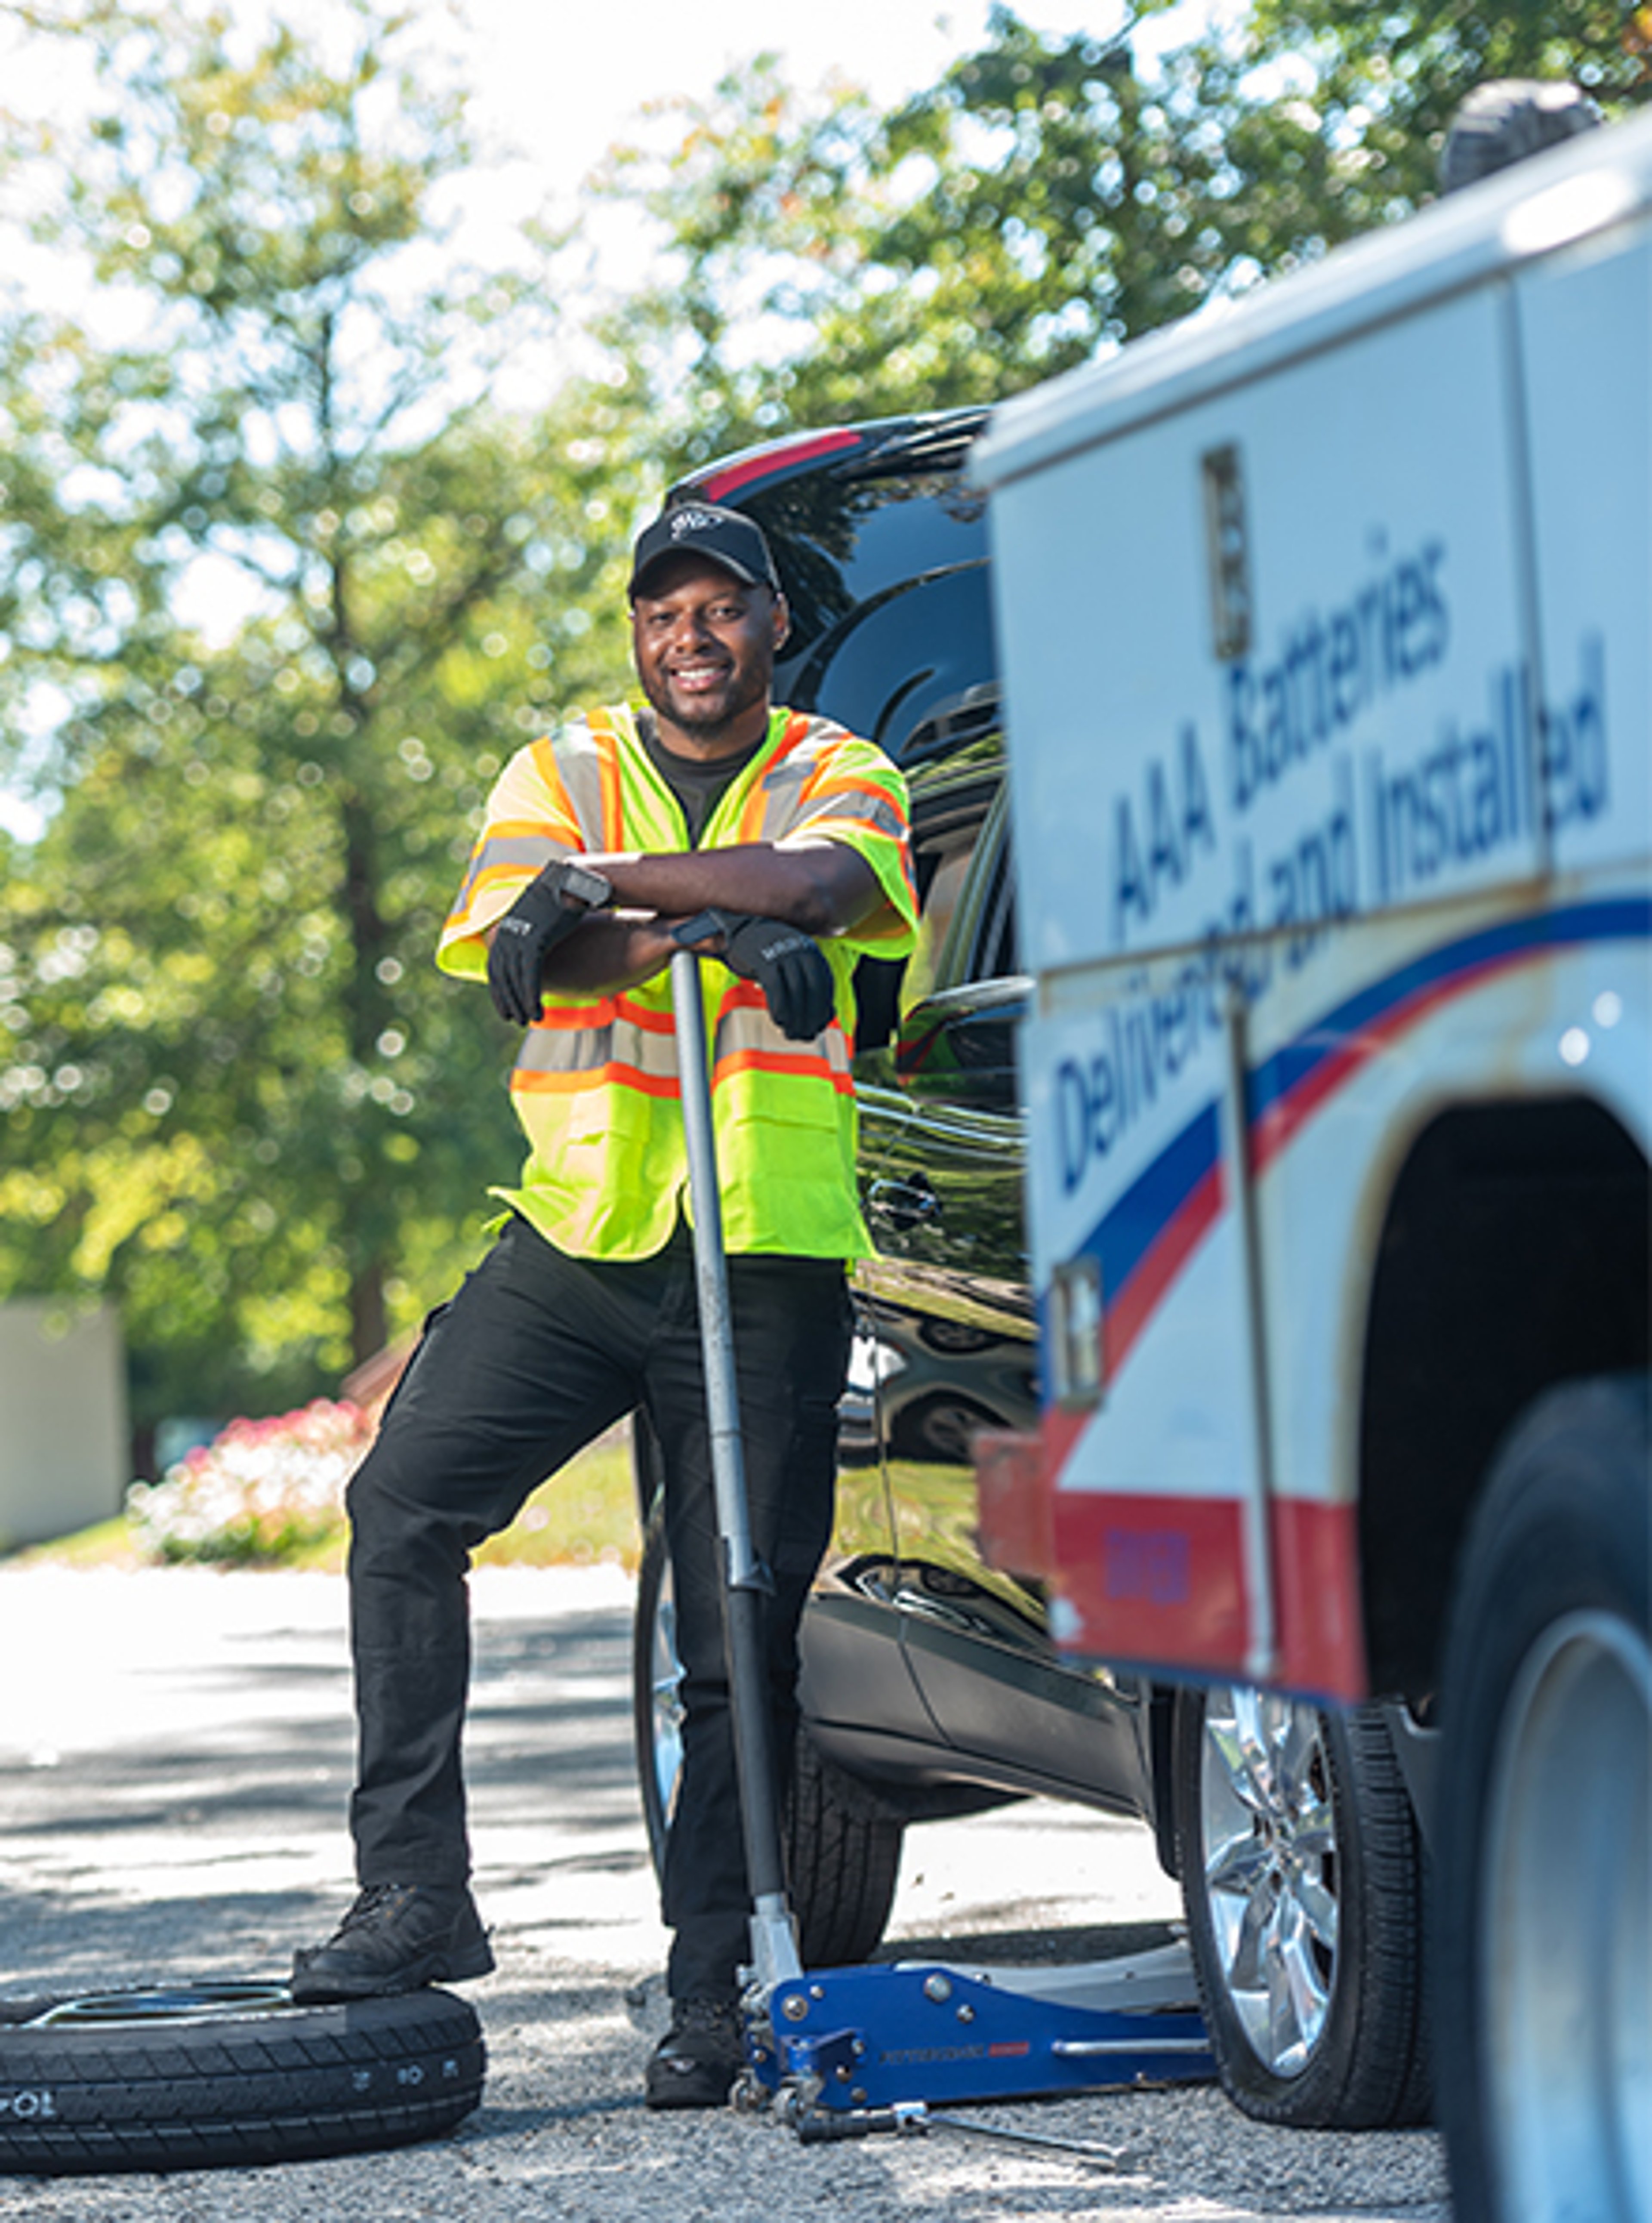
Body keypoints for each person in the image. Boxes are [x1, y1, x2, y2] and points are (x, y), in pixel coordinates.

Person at [289, 500, 916, 2111]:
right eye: (662, 614)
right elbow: (529, 962)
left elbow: (829, 889)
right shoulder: (553, 768)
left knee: (735, 1629)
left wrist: (642, 891)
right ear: (635, 635)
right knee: (404, 1504)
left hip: (762, 1247)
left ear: (772, 627)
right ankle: (417, 1891)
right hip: (582, 1235)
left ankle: (716, 1989)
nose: (689, 639)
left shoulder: (845, 765)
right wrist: (709, 927)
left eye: (721, 610)